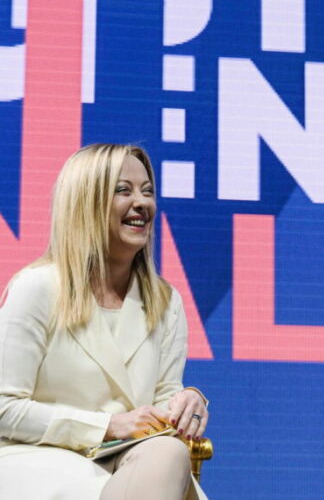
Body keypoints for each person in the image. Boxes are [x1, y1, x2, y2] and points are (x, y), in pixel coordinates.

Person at [0, 143, 209, 499]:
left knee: (170, 451)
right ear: (86, 202)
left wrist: (184, 404)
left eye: (147, 191)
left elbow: (159, 406)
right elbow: (4, 407)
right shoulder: (37, 287)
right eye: (123, 191)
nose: (142, 203)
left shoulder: (165, 301)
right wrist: (107, 426)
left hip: (128, 460)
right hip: (40, 458)